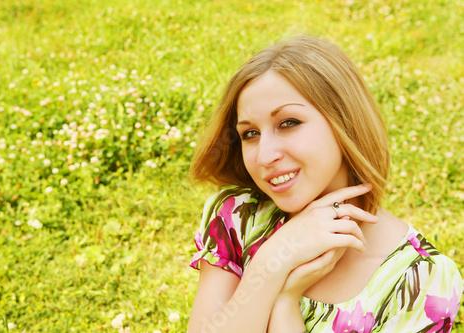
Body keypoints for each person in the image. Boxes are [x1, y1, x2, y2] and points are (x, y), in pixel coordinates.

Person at [187, 35, 463, 333]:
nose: (265, 156)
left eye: (288, 122)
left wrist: (285, 301)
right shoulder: (237, 217)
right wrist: (272, 259)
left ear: (345, 122)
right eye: (250, 133)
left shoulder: (421, 279)